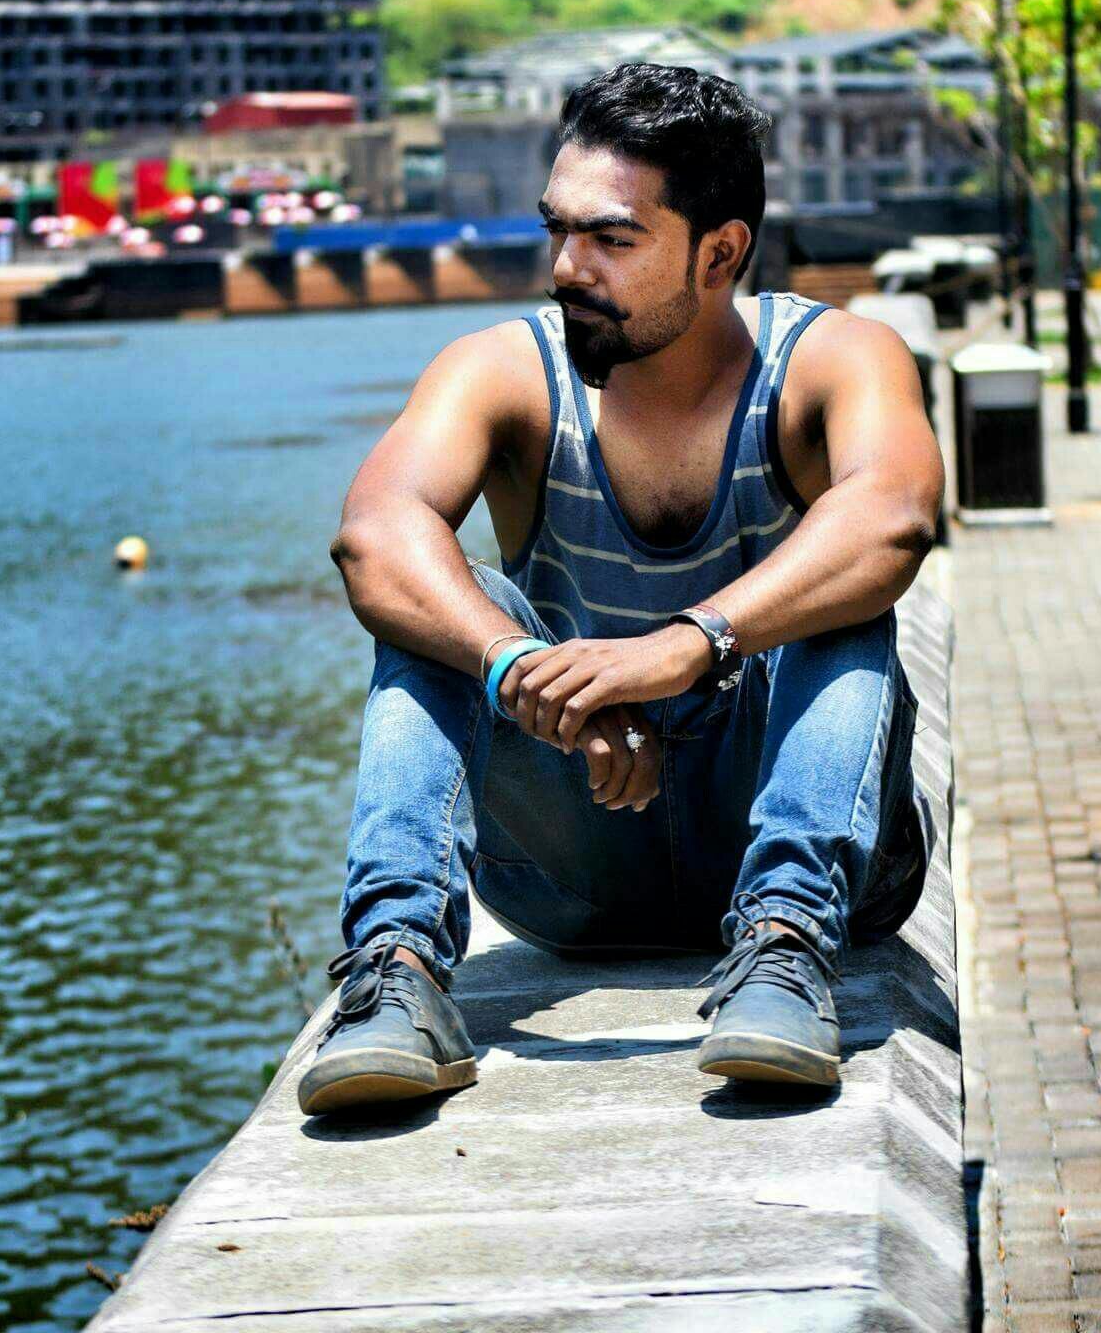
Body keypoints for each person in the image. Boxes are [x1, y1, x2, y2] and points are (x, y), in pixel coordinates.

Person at [299, 61, 944, 1115]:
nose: (567, 266)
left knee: (842, 593)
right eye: (557, 230)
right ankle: (396, 969)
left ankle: (784, 951)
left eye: (611, 238)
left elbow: (896, 519)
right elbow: (374, 537)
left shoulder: (834, 358)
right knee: (437, 603)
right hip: (577, 865)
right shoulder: (502, 370)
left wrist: (683, 646)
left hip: (823, 851)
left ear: (719, 252)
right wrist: (520, 670)